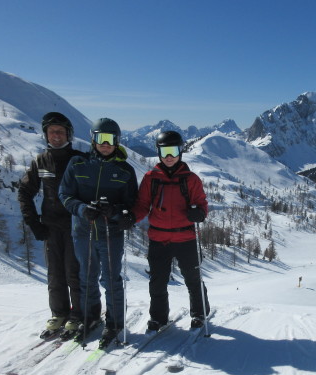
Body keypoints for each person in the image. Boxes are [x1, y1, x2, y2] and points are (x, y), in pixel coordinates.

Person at [58, 118, 138, 345]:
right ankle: (90, 316)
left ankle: (115, 322)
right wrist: (82, 209)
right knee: (86, 276)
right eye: (100, 138)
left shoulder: (124, 171)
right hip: (83, 230)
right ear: (93, 140)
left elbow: (131, 206)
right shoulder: (78, 164)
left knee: (111, 279)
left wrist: (113, 211)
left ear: (117, 141)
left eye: (110, 139)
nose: (105, 144)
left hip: (110, 233)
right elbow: (65, 195)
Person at [131, 130, 210, 331]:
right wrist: (131, 217)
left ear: (180, 152)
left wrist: (199, 214)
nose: (169, 156)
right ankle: (158, 317)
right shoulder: (151, 178)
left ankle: (199, 314)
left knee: (192, 279)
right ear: (158, 152)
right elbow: (142, 204)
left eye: (173, 151)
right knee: (157, 282)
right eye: (165, 151)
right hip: (159, 238)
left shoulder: (190, 179)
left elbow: (201, 204)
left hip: (185, 238)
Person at [18, 112, 85, 338]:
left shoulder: (78, 159)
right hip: (50, 227)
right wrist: (33, 222)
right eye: (51, 131)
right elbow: (25, 191)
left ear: (68, 134)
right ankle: (59, 313)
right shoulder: (41, 161)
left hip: (75, 226)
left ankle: (78, 314)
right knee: (55, 274)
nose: (56, 135)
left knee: (73, 272)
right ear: (46, 134)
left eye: (60, 131)